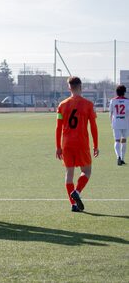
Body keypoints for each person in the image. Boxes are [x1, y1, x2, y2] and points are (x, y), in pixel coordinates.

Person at [55, 76, 99, 212]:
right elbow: (93, 127)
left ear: (69, 87)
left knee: (69, 174)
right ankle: (77, 192)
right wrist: (96, 145)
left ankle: (73, 204)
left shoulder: (62, 105)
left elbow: (58, 128)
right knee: (86, 171)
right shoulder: (88, 104)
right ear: (81, 86)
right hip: (81, 142)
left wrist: (58, 146)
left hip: (67, 143)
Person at [109, 85, 129, 165]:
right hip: (125, 122)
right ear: (124, 92)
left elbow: (110, 113)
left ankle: (118, 157)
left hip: (116, 122)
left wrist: (111, 122)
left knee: (117, 140)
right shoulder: (127, 101)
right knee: (123, 141)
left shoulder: (113, 101)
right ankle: (122, 158)